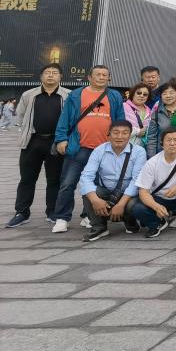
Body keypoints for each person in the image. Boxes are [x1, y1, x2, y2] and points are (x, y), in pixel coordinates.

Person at [52, 65, 125, 234]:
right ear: (89, 77)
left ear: (109, 78)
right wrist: (61, 140)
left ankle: (88, 215)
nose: (101, 77)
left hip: (104, 149)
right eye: (97, 74)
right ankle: (62, 217)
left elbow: (120, 120)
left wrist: (120, 142)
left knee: (97, 185)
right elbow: (64, 119)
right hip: (79, 147)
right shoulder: (76, 95)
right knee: (67, 183)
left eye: (104, 75)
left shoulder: (114, 96)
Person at [7, 63, 69, 228]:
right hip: (32, 141)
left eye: (54, 73)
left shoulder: (68, 95)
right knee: (27, 179)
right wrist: (26, 132)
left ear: (60, 76)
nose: (50, 75)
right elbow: (20, 116)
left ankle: (52, 212)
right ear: (41, 76)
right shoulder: (29, 94)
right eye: (47, 73)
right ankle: (22, 212)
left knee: (55, 179)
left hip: (56, 142)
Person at [77, 120, 147, 241]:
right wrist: (95, 200)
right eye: (116, 132)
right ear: (108, 134)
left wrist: (120, 205)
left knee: (132, 204)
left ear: (130, 134)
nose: (120, 136)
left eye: (125, 133)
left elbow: (137, 181)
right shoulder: (99, 150)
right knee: (89, 192)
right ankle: (100, 227)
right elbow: (85, 177)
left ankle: (130, 222)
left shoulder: (139, 152)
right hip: (107, 192)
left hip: (128, 195)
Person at [146, 82, 176, 159]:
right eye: (164, 93)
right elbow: (152, 138)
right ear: (161, 96)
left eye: (171, 93)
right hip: (163, 155)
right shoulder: (157, 113)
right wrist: (152, 158)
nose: (168, 96)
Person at [123, 83, 152, 149]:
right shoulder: (123, 107)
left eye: (145, 94)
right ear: (133, 94)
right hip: (124, 146)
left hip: (142, 149)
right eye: (139, 93)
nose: (142, 96)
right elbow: (119, 127)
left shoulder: (150, 111)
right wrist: (138, 131)